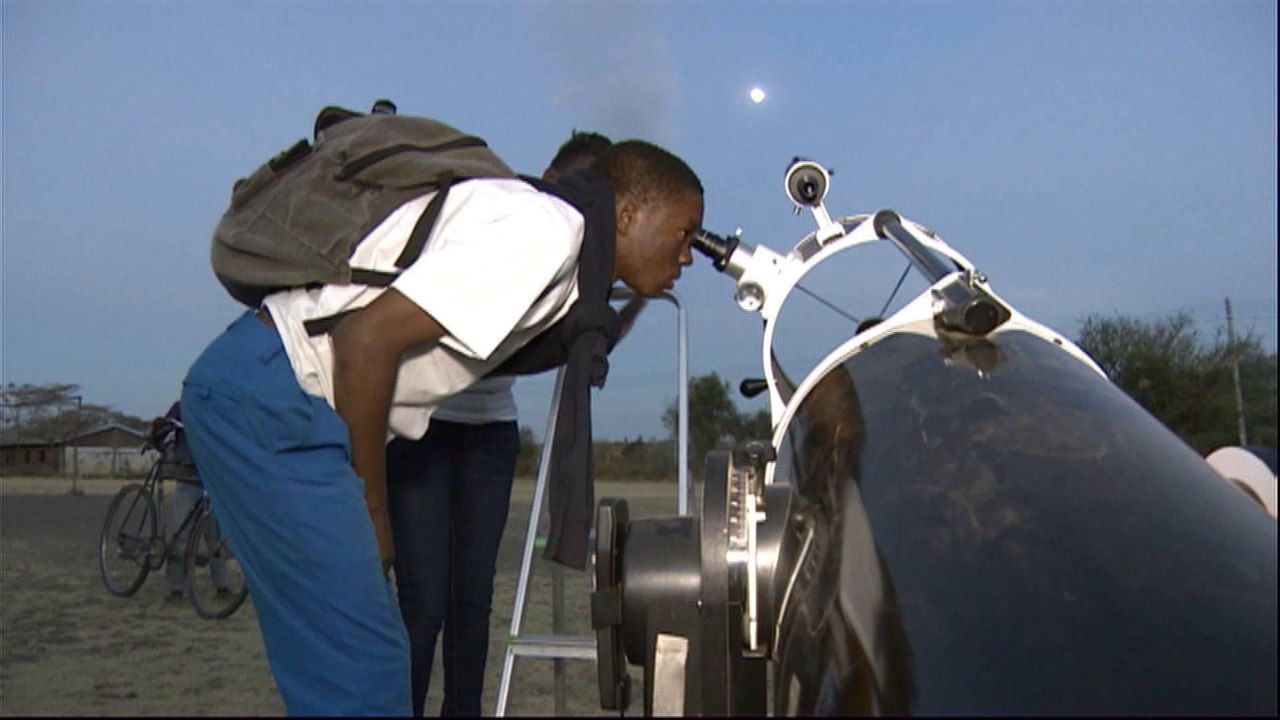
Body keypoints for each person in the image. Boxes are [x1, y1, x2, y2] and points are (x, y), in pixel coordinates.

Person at [179, 136, 704, 716]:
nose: (687, 257)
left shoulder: (565, 263)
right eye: (684, 234)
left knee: (351, 664)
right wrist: (372, 510)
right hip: (274, 397)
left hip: (278, 396)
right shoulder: (546, 233)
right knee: (365, 668)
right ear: (627, 215)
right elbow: (365, 340)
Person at [386, 130, 650, 717]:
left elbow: (569, 341)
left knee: (472, 602)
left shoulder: (573, 253)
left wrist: (633, 298)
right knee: (423, 602)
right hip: (419, 426)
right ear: (551, 179)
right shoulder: (507, 220)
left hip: (488, 432)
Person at [147, 401, 229, 604]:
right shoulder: (183, 406)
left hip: (214, 481)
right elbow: (164, 429)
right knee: (178, 537)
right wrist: (161, 430)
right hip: (188, 476)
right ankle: (176, 589)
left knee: (216, 537)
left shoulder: (225, 408)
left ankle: (223, 587)